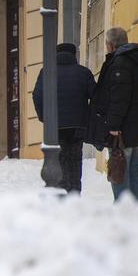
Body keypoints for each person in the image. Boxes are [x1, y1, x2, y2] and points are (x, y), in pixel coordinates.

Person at [86, 26, 138, 206]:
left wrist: (113, 125)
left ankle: (124, 215)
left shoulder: (120, 63)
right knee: (135, 170)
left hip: (123, 131)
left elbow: (119, 98)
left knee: (119, 172)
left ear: (110, 44)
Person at [32, 42, 96, 193]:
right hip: (77, 126)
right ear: (74, 55)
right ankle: (74, 193)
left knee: (59, 160)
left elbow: (37, 96)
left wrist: (45, 118)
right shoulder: (83, 72)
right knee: (75, 160)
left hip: (55, 126)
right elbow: (96, 96)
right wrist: (87, 116)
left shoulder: (46, 72)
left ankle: (62, 193)